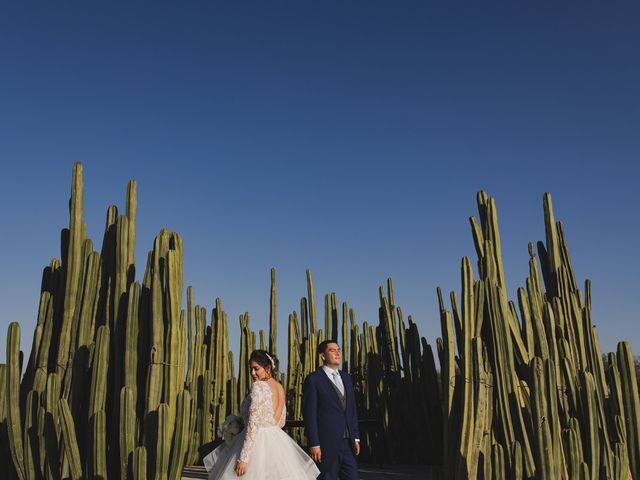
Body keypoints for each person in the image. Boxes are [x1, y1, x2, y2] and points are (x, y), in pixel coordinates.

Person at [203, 350, 320, 479]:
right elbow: (281, 422)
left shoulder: (258, 386)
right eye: (250, 369)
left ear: (268, 368)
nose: (253, 373)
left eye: (256, 369)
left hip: (256, 442)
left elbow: (253, 424)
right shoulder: (279, 387)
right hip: (276, 439)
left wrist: (244, 459)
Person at [302, 340, 361, 480]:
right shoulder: (314, 379)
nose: (337, 353)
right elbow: (310, 414)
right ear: (322, 356)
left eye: (338, 350)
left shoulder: (346, 377)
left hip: (348, 443)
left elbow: (351, 410)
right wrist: (314, 443)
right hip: (326, 443)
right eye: (332, 350)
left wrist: (356, 436)